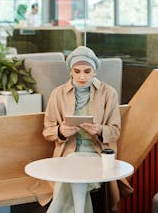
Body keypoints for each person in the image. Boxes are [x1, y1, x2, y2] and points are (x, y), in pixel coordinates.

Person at [42, 46, 133, 213]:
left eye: (87, 71)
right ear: (70, 71)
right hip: (67, 153)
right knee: (74, 179)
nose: (82, 76)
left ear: (95, 71)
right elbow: (47, 131)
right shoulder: (58, 94)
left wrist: (99, 130)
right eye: (76, 71)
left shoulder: (108, 93)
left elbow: (115, 131)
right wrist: (61, 132)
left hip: (98, 154)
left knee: (70, 180)